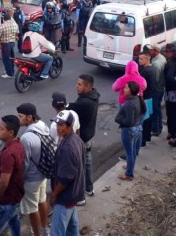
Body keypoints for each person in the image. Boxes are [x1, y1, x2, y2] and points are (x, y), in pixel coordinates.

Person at [16, 103, 51, 236]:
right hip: (43, 173)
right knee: (42, 200)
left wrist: (20, 180)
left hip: (31, 178)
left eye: (20, 116)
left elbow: (24, 163)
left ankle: (36, 234)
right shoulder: (42, 125)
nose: (18, 119)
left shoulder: (26, 138)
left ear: (29, 117)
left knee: (32, 209)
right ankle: (44, 228)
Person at [0, 115, 25, 236]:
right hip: (14, 198)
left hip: (5, 201)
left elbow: (4, 182)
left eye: (1, 129)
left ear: (11, 132)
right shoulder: (18, 144)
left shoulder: (9, 153)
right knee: (14, 221)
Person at [50, 110, 85, 236]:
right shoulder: (76, 139)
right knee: (72, 229)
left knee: (57, 232)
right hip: (74, 194)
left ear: (69, 127)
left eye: (61, 125)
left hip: (65, 198)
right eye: (57, 124)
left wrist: (54, 194)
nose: (58, 128)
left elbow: (66, 178)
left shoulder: (67, 148)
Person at [68, 74, 100, 203]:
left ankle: (80, 197)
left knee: (79, 167)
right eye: (77, 83)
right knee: (87, 163)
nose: (77, 86)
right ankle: (89, 188)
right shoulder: (94, 95)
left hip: (83, 138)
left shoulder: (84, 103)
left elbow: (70, 109)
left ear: (88, 87)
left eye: (79, 84)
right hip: (89, 135)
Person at [115, 81, 146, 180]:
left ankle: (129, 174)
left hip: (129, 130)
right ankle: (130, 166)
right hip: (138, 128)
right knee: (132, 151)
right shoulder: (138, 99)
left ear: (131, 90)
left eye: (126, 88)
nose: (124, 89)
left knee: (129, 152)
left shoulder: (129, 104)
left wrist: (118, 119)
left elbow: (128, 121)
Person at [163, 44, 176, 147]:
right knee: (175, 116)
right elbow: (169, 77)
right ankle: (173, 138)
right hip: (174, 95)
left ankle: (170, 133)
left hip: (169, 94)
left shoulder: (171, 64)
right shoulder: (172, 65)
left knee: (170, 115)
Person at [137, 52, 155, 147]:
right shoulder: (152, 69)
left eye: (141, 59)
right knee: (148, 119)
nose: (139, 60)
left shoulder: (145, 71)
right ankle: (147, 138)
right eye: (139, 58)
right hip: (150, 97)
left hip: (145, 98)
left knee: (143, 121)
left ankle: (142, 141)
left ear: (147, 60)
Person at [0, 11, 19, 79]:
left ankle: (9, 73)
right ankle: (11, 71)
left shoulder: (3, 25)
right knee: (11, 58)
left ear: (4, 19)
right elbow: (17, 33)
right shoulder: (15, 24)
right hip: (12, 43)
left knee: (6, 58)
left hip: (5, 43)